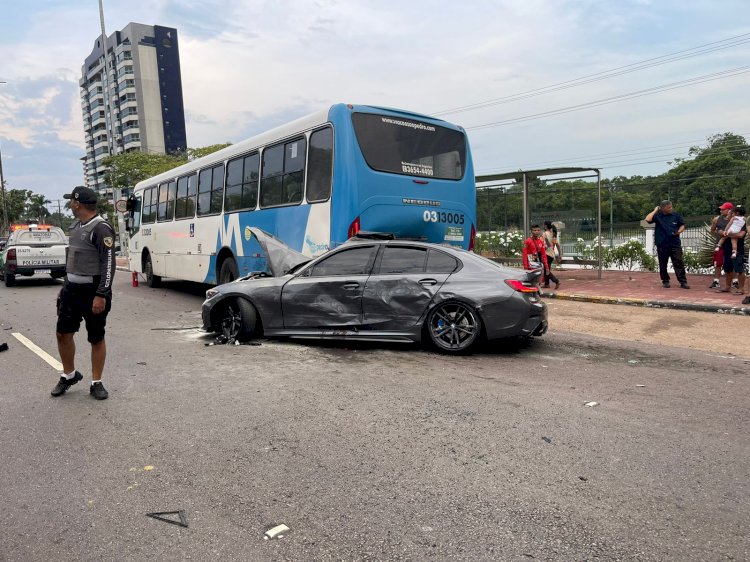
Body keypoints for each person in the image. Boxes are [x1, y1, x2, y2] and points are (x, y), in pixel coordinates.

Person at [51, 186, 116, 400]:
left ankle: (96, 382)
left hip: (93, 291)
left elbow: (108, 265)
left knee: (96, 337)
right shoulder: (76, 226)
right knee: (63, 333)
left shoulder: (101, 228)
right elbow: (74, 261)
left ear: (78, 203)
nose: (70, 204)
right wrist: (64, 287)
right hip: (71, 290)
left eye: (71, 201)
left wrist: (101, 295)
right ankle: (69, 375)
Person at [645, 200, 689, 289]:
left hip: (675, 244)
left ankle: (683, 282)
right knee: (663, 264)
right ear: (663, 208)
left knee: (678, 262)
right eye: (669, 207)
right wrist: (655, 210)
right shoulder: (658, 216)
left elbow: (682, 225)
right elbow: (647, 219)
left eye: (671, 207)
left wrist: (679, 231)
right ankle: (665, 281)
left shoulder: (676, 216)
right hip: (662, 244)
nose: (671, 208)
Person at [717, 205, 747, 296]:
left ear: (737, 213)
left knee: (739, 269)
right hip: (727, 248)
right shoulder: (725, 221)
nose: (730, 214)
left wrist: (726, 235)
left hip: (737, 249)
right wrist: (723, 233)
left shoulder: (743, 223)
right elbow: (719, 231)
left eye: (732, 212)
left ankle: (741, 289)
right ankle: (727, 287)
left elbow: (740, 235)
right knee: (728, 268)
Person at [709, 202, 733, 288]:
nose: (721, 211)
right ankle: (716, 281)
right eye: (721, 209)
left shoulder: (735, 219)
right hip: (720, 244)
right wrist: (719, 233)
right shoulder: (717, 219)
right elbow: (712, 230)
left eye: (723, 209)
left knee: (732, 262)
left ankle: (734, 281)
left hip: (732, 244)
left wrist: (729, 234)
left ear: (729, 210)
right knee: (717, 262)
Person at [542, 221, 561, 289]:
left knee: (546, 270)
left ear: (546, 226)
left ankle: (556, 281)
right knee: (547, 269)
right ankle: (546, 284)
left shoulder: (545, 234)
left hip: (546, 254)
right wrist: (559, 254)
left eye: (544, 225)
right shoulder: (553, 234)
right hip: (552, 255)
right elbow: (557, 245)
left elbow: (543, 245)